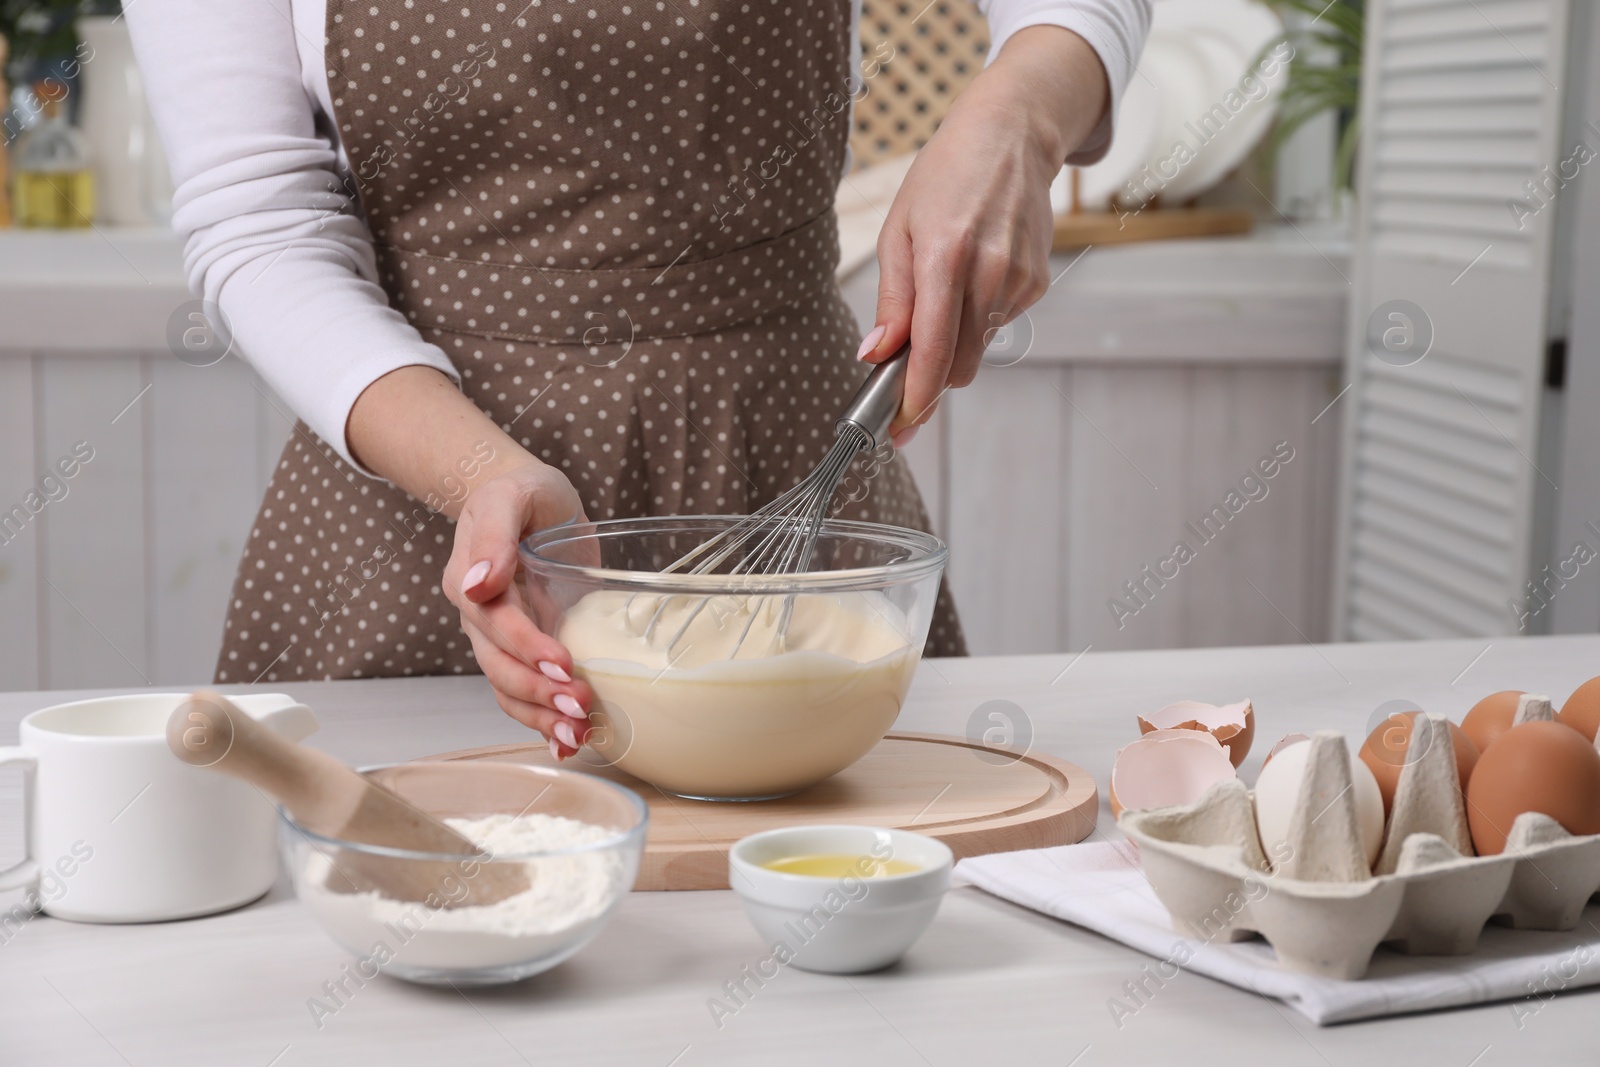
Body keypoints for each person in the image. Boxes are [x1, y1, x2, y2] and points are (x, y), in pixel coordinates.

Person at [126, 0, 1151, 760]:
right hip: (424, 527)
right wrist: (474, 472)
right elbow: (259, 217)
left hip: (790, 474)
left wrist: (1015, 113)